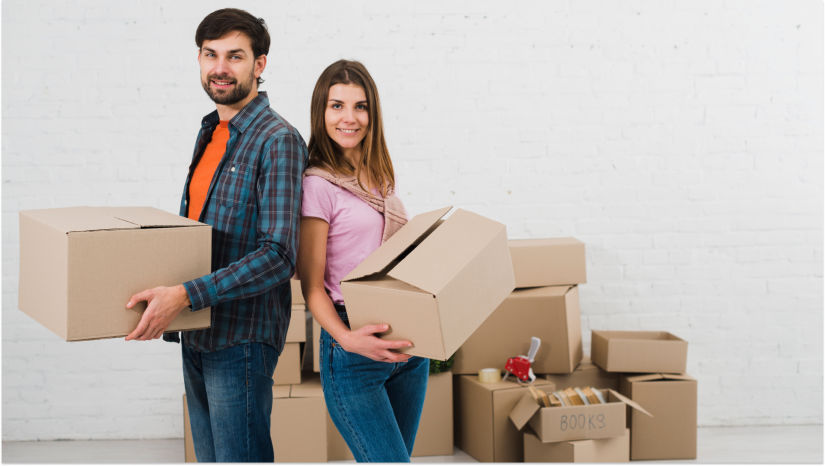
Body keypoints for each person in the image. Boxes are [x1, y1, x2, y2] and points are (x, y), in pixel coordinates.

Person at [124, 8, 307, 462]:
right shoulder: (211, 132)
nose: (220, 68)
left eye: (234, 56)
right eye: (211, 55)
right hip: (196, 329)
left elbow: (280, 254)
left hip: (241, 338)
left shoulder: (278, 139)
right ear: (199, 59)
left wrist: (185, 294)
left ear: (259, 64)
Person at [297, 59, 429, 462]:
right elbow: (312, 286)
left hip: (408, 348)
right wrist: (346, 338)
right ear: (321, 112)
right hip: (353, 349)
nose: (349, 118)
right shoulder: (317, 185)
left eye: (360, 106)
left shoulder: (381, 178)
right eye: (337, 106)